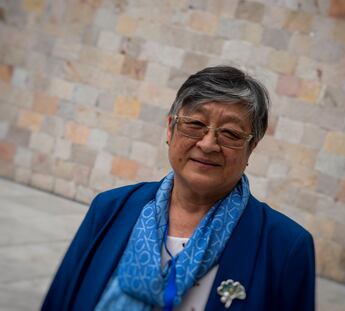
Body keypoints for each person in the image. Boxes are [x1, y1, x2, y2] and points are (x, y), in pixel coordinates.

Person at [41, 66, 315, 311]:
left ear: (250, 147)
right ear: (170, 129)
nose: (208, 144)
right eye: (195, 124)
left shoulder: (286, 248)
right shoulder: (109, 209)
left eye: (230, 133)